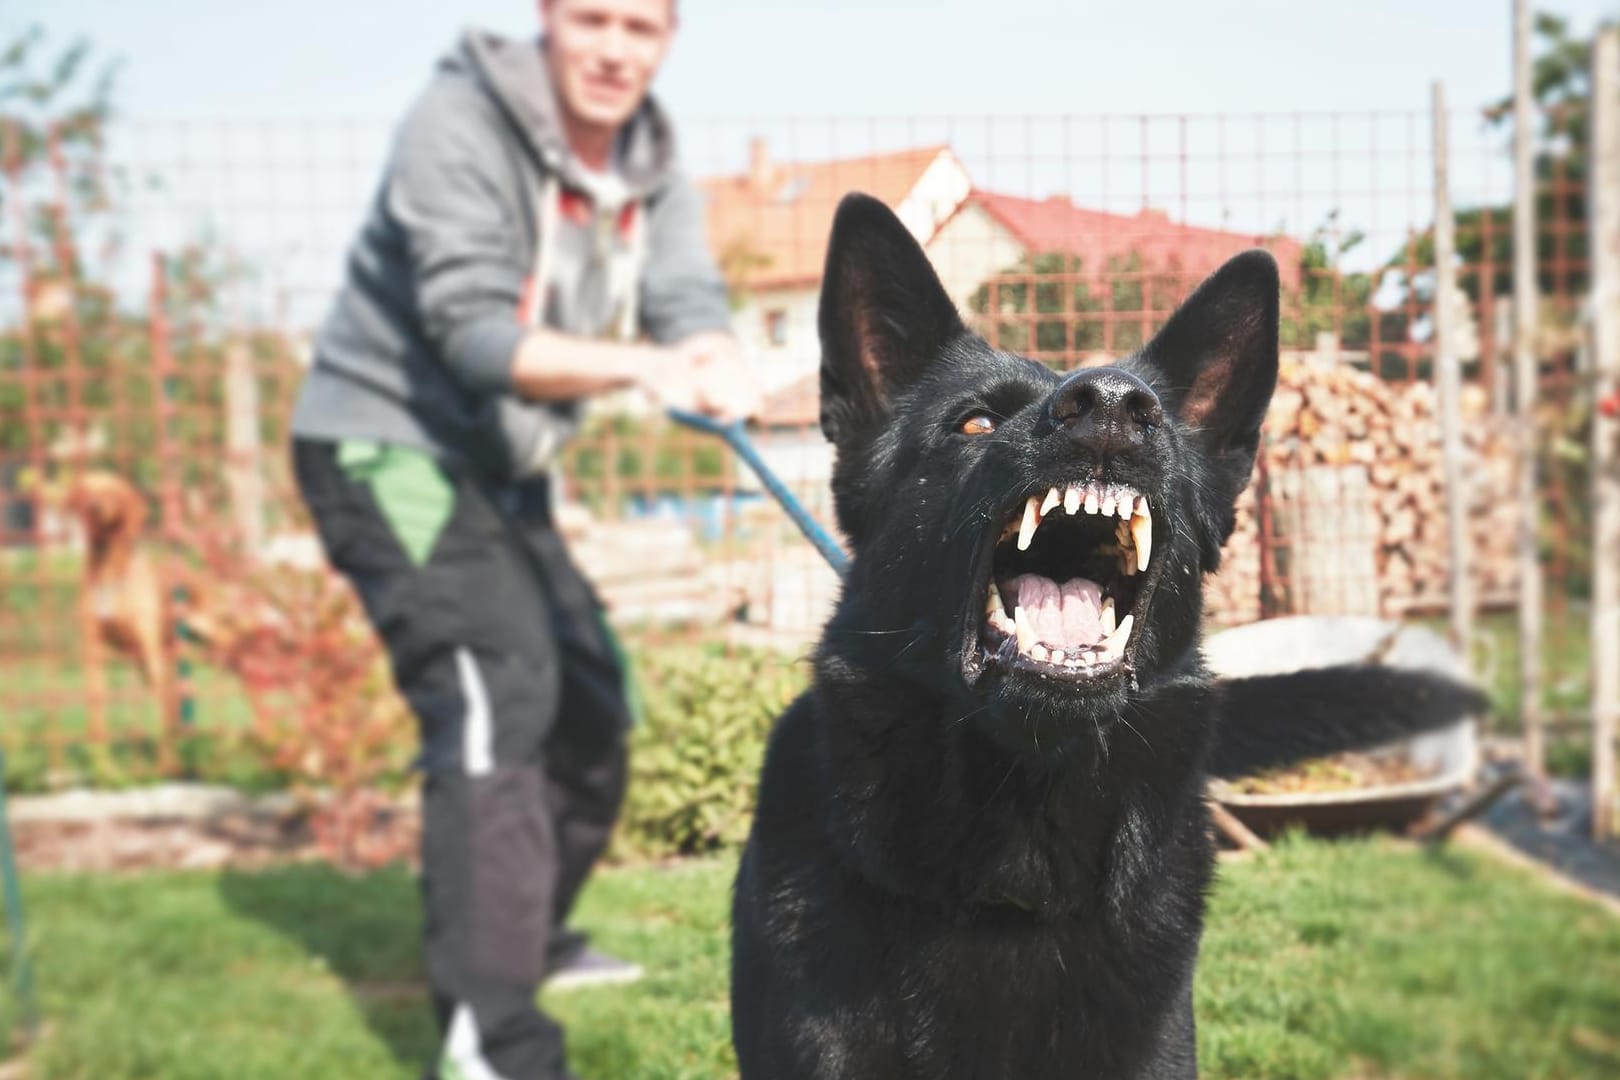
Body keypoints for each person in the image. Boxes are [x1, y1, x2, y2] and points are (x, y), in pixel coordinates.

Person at [288, 2, 754, 1077]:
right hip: (386, 446)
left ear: (668, 39)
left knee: (593, 706)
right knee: (499, 689)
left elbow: (685, 294)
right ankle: (490, 1035)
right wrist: (645, 368)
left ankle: (528, 933)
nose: (612, 48)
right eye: (590, 16)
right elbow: (474, 333)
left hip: (503, 470)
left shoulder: (651, 159)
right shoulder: (454, 124)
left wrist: (714, 352)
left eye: (640, 26)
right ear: (546, 19)